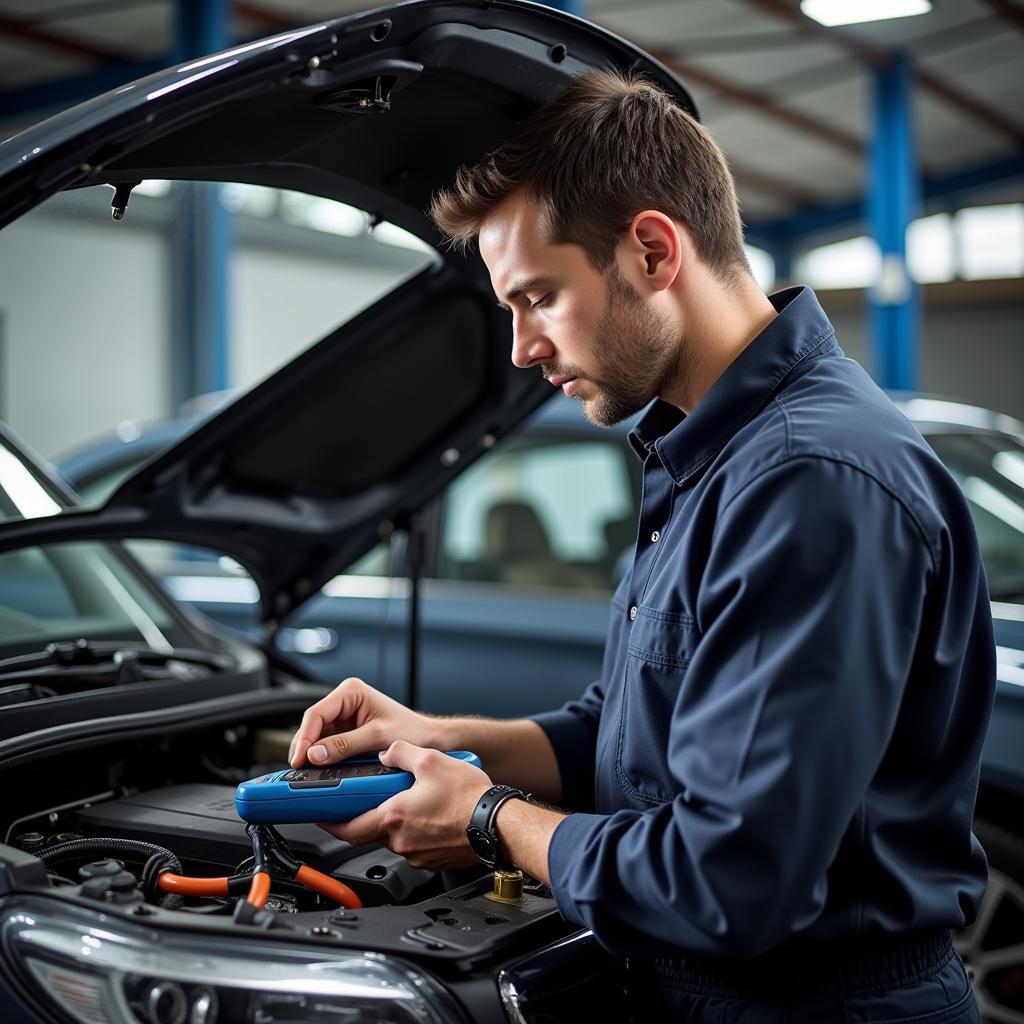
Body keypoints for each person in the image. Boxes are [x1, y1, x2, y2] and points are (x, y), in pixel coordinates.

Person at [288, 70, 995, 1021]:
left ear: (653, 251)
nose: (521, 349)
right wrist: (445, 741)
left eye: (537, 296)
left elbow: (729, 879)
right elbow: (629, 739)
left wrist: (488, 820)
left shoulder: (809, 481)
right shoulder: (709, 452)